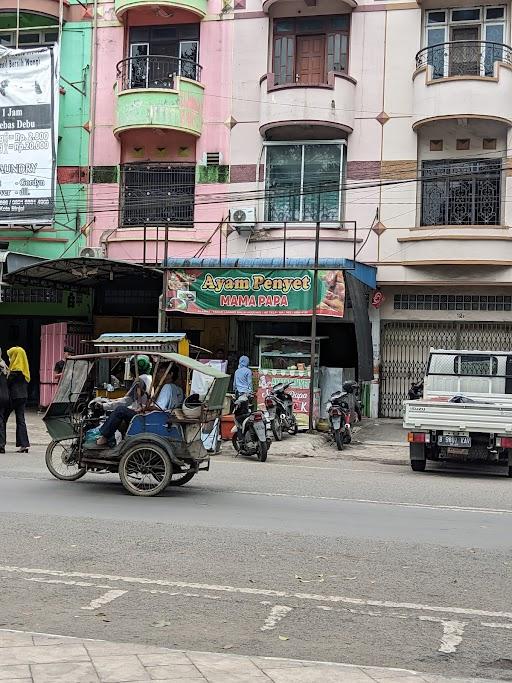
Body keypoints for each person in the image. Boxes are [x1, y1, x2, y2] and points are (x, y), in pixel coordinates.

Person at [94, 355, 152, 447]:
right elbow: (130, 398)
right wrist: (111, 401)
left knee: (120, 410)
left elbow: (127, 401)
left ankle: (104, 438)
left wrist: (104, 406)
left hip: (140, 414)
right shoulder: (149, 377)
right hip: (143, 411)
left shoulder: (140, 380)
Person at [6, 346, 30, 453]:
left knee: (2, 418)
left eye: (11, 356)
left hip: (14, 397)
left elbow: (8, 384)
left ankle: (1, 443)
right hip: (23, 396)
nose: (10, 358)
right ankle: (24, 445)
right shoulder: (24, 370)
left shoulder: (14, 371)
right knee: (21, 420)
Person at [0, 350, 9, 454]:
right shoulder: (4, 366)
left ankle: (1, 444)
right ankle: (2, 444)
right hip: (5, 396)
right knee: (2, 421)